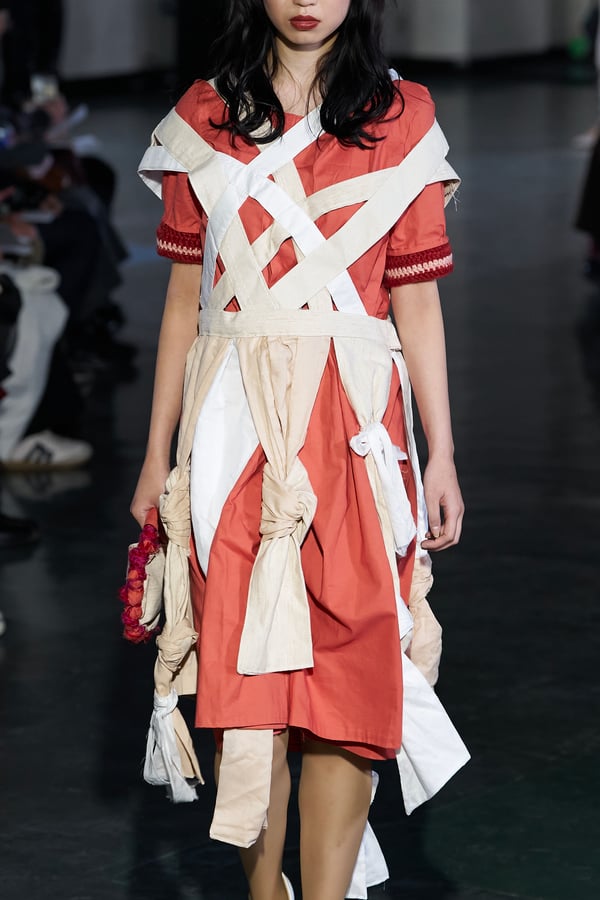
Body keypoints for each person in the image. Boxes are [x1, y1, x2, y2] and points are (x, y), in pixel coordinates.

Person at [131, 2, 469, 898]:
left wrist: (440, 454)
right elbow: (183, 301)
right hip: (231, 427)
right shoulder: (203, 117)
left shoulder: (403, 117)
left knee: (352, 676)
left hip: (355, 429)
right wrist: (156, 455)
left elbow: (416, 299)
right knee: (247, 679)